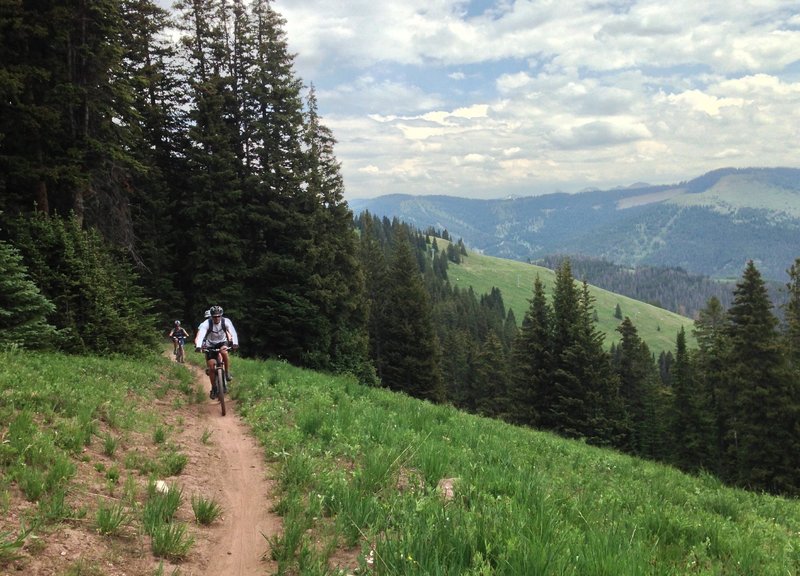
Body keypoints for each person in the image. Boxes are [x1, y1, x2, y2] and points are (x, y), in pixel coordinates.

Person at [194, 305, 239, 399]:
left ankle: (226, 373)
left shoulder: (226, 321)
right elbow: (201, 334)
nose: (217, 318)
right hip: (210, 344)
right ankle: (214, 388)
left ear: (221, 315)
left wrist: (235, 343)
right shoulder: (206, 323)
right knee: (211, 366)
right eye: (214, 316)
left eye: (219, 316)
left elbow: (232, 332)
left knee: (224, 352)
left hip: (223, 341)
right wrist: (198, 346)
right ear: (211, 316)